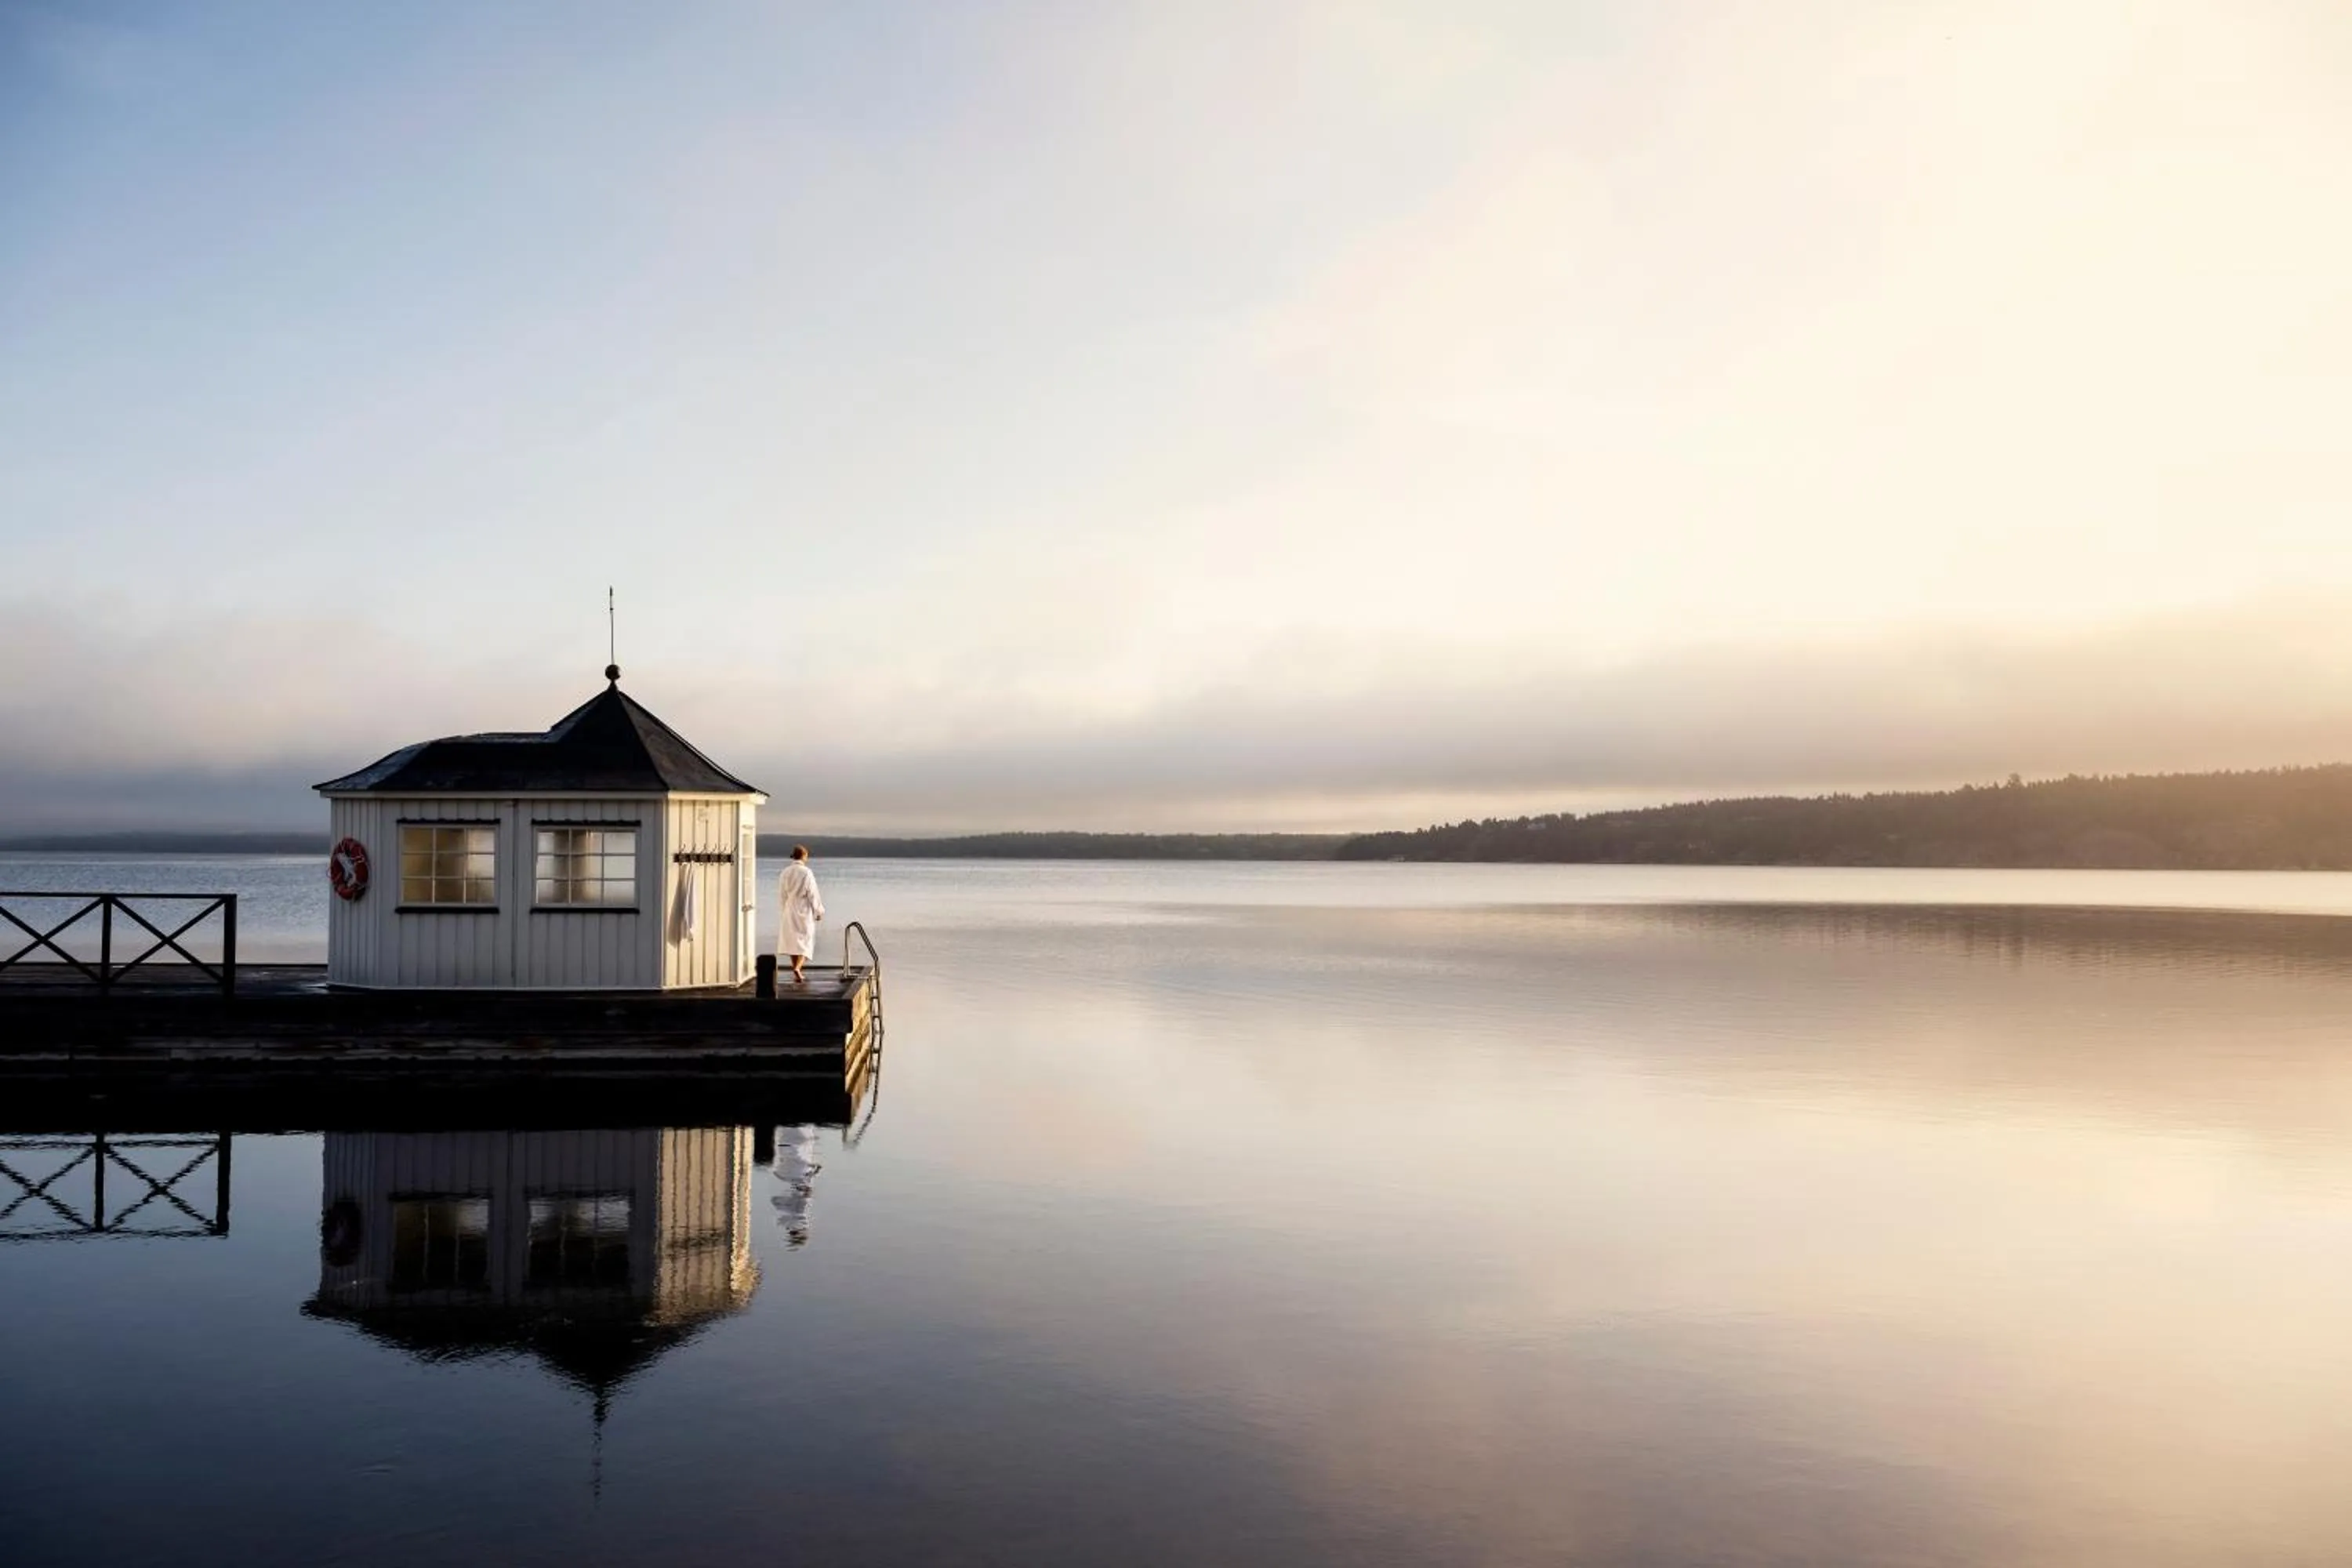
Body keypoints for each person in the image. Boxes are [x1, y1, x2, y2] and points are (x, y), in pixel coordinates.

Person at [776, 844, 825, 982]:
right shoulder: (806, 872)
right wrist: (818, 910)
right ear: (804, 856)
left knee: (793, 940)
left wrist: (783, 909)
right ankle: (798, 968)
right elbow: (813, 893)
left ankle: (796, 969)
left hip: (790, 908)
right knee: (806, 939)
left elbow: (782, 894)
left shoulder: (785, 872)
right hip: (803, 909)